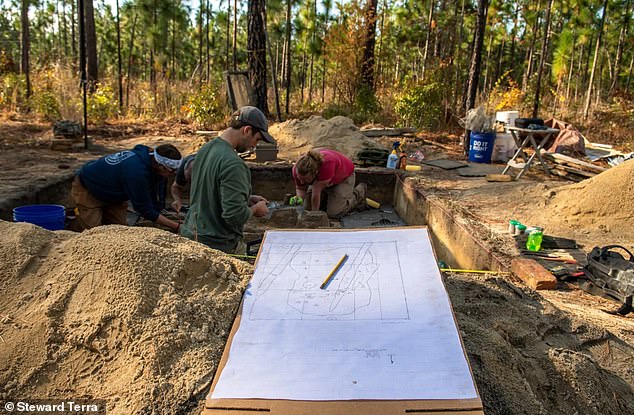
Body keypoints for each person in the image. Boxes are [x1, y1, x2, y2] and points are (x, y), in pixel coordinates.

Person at [180, 106, 275, 254]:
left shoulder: (206, 149)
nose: (254, 146)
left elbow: (209, 190)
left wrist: (245, 198)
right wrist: (256, 209)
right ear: (247, 130)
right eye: (256, 140)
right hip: (218, 245)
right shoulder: (233, 164)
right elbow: (234, 216)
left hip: (193, 235)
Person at [71, 144, 183, 232]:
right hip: (89, 187)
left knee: (121, 232)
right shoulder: (137, 172)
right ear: (161, 166)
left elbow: (154, 192)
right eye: (172, 171)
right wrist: (177, 227)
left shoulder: (153, 159)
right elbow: (144, 209)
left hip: (114, 193)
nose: (173, 174)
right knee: (92, 233)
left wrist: (159, 209)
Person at [292, 148, 366, 218]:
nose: (302, 182)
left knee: (334, 213)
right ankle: (329, 199)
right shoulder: (298, 170)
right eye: (300, 178)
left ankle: (359, 192)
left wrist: (314, 216)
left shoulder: (327, 165)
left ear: (315, 173)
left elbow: (316, 194)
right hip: (325, 181)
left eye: (305, 179)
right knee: (307, 208)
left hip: (344, 176)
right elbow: (300, 188)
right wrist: (299, 199)